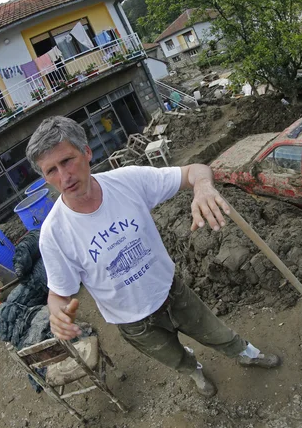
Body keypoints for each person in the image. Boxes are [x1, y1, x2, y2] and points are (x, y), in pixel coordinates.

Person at [26, 116, 281, 397]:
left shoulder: (128, 182)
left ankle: (247, 353)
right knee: (174, 358)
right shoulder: (54, 233)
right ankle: (195, 372)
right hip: (132, 321)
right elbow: (59, 293)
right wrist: (56, 313)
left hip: (172, 292)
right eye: (51, 170)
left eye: (67, 161)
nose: (64, 177)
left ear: (86, 152)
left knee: (218, 333)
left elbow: (195, 170)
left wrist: (203, 187)